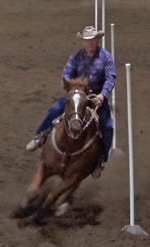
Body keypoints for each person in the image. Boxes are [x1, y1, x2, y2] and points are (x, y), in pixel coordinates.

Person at [26, 26, 116, 178]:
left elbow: (110, 78)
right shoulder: (76, 57)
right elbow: (66, 75)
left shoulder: (106, 57)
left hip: (96, 99)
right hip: (76, 96)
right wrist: (71, 88)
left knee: (108, 127)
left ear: (97, 40)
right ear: (83, 41)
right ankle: (40, 136)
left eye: (93, 40)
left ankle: (101, 160)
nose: (90, 43)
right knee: (55, 110)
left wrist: (102, 95)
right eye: (87, 40)